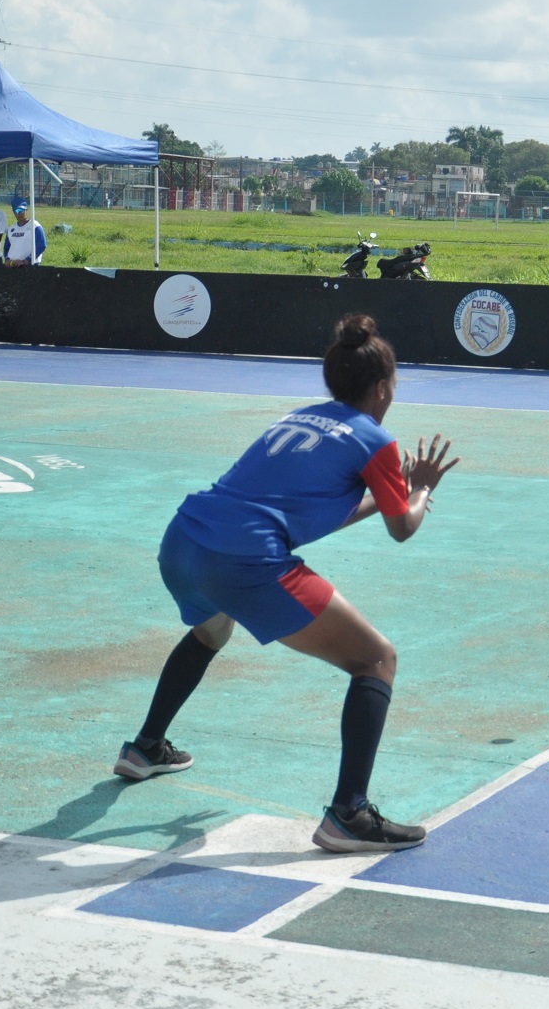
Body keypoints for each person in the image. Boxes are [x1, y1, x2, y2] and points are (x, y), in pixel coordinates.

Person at [117, 313, 460, 855]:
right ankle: (349, 815)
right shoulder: (376, 440)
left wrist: (392, 496)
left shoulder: (300, 418)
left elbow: (308, 512)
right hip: (244, 559)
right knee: (376, 660)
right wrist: (419, 490)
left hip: (184, 540)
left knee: (212, 629)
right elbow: (403, 528)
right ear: (383, 388)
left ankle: (145, 748)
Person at [2, 200, 46, 267]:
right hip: (12, 265)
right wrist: (7, 259)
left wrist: (27, 261)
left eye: (21, 210)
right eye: (17, 211)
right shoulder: (11, 229)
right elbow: (6, 248)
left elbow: (42, 245)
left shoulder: (35, 226)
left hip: (30, 265)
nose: (19, 213)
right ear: (13, 212)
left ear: (26, 210)